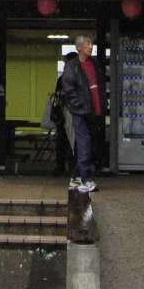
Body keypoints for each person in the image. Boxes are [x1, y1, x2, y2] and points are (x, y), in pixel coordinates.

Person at [60, 35, 102, 193]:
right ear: (79, 47)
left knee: (88, 145)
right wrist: (80, 104)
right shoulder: (72, 66)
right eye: (87, 44)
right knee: (84, 144)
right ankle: (86, 178)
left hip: (94, 111)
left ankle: (76, 176)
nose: (90, 47)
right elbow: (69, 89)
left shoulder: (94, 64)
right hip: (80, 112)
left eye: (92, 44)